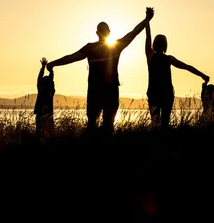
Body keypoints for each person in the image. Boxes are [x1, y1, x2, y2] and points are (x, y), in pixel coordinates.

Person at [47, 8, 154, 136]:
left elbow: (71, 57)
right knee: (108, 127)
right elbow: (133, 33)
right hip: (110, 91)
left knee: (92, 125)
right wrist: (147, 20)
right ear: (108, 32)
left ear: (97, 33)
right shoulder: (115, 47)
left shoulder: (90, 48)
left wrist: (53, 63)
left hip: (94, 91)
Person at [144, 8, 209, 129]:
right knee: (164, 124)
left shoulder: (150, 56)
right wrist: (202, 75)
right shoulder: (169, 59)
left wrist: (147, 19)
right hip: (166, 94)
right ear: (165, 45)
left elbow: (147, 35)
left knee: (155, 123)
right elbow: (187, 67)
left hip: (154, 93)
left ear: (154, 44)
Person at [34, 57, 55, 136]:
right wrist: (50, 70)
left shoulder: (42, 89)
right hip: (46, 112)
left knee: (40, 131)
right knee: (47, 131)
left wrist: (43, 67)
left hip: (42, 112)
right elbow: (50, 78)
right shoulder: (50, 90)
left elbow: (40, 79)